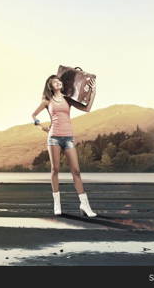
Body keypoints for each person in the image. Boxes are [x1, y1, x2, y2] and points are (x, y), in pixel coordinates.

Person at [31, 74, 97, 217]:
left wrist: (93, 91)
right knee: (55, 170)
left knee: (76, 171)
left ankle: (85, 205)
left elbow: (87, 108)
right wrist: (41, 127)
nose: (58, 82)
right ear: (50, 86)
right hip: (53, 137)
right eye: (54, 82)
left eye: (58, 81)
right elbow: (33, 116)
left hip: (68, 138)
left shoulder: (68, 98)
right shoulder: (47, 101)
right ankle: (57, 204)